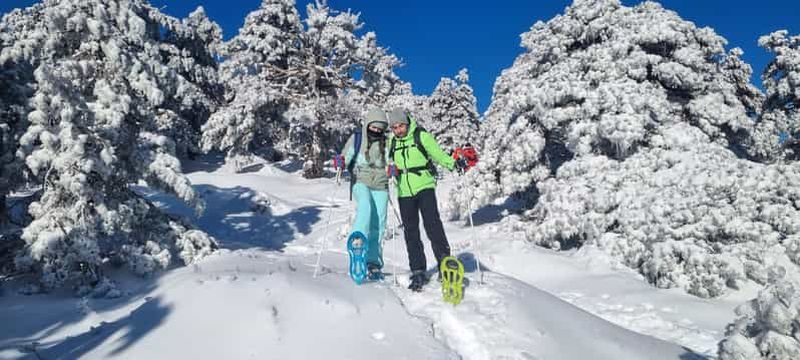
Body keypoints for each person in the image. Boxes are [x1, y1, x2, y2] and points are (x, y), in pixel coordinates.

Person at [386, 108, 468, 291]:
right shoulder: (392, 142)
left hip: (424, 185)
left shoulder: (420, 136)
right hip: (404, 191)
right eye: (395, 127)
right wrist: (390, 168)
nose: (398, 130)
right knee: (411, 231)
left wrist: (454, 164)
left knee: (432, 225)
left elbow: (437, 154)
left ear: (407, 123)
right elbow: (387, 161)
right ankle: (418, 270)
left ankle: (444, 264)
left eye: (401, 126)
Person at [341, 107, 390, 281]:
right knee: (365, 207)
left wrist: (393, 168)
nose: (376, 131)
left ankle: (373, 261)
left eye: (380, 129)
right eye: (374, 127)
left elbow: (393, 161)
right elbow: (345, 156)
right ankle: (358, 242)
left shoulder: (388, 142)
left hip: (381, 185)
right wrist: (340, 161)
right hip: (360, 181)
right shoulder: (357, 138)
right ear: (368, 124)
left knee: (379, 223)